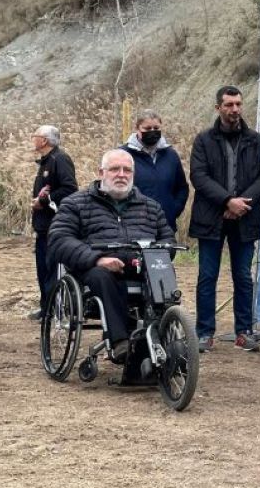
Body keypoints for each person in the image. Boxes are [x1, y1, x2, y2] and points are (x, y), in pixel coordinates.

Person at [47, 149, 173, 358]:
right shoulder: (75, 203)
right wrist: (97, 259)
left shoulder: (151, 207)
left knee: (162, 272)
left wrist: (156, 255)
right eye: (115, 169)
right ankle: (120, 342)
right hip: (94, 269)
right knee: (102, 276)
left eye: (127, 170)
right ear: (101, 172)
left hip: (140, 265)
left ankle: (166, 338)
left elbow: (168, 240)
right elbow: (59, 240)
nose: (121, 174)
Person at [189, 85, 260, 354]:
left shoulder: (256, 140)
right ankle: (204, 333)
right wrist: (227, 201)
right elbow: (199, 176)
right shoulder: (203, 140)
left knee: (243, 276)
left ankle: (243, 332)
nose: (234, 109)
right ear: (218, 108)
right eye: (229, 105)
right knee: (207, 276)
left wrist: (242, 204)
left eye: (238, 104)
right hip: (210, 218)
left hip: (245, 218)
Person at [30, 125, 78, 320]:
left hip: (55, 225)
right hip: (43, 226)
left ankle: (56, 309)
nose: (33, 139)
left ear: (45, 140)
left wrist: (43, 202)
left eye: (36, 136)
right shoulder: (46, 161)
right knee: (43, 268)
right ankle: (46, 307)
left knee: (53, 269)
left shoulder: (60, 159)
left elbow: (70, 189)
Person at [121, 109, 189, 232]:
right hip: (133, 227)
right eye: (147, 129)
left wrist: (173, 209)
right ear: (137, 129)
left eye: (156, 128)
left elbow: (182, 187)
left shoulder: (171, 155)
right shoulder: (123, 154)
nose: (152, 132)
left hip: (165, 225)